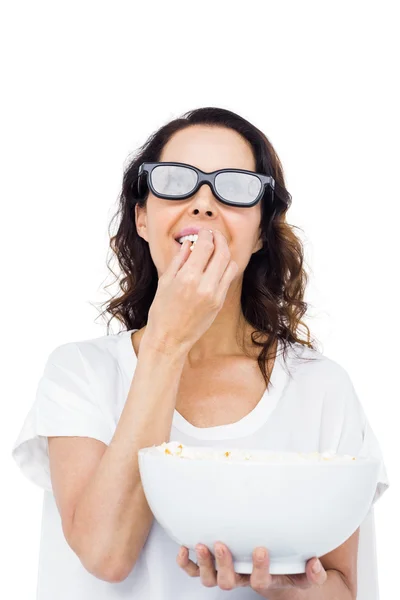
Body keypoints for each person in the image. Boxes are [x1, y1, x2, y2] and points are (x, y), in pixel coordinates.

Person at [12, 106, 389, 600]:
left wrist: (282, 585)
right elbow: (106, 554)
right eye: (175, 181)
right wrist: (168, 341)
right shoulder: (80, 372)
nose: (204, 203)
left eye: (234, 186)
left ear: (259, 232)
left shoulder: (321, 387)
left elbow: (340, 588)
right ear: (142, 218)